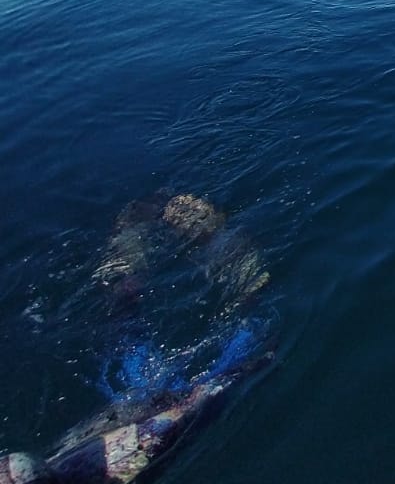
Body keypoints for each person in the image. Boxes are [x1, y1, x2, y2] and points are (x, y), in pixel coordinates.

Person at [0, 194, 273, 484]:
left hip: (139, 404)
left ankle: (140, 243)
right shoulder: (131, 453)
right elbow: (194, 403)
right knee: (254, 325)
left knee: (126, 319)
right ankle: (188, 243)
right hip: (155, 411)